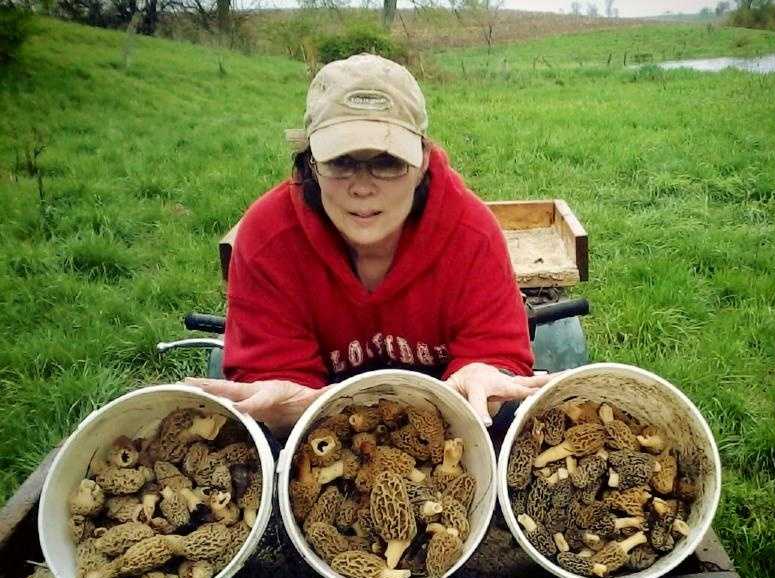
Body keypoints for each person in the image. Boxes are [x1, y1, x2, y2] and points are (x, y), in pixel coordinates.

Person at [187, 53, 554, 437]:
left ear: (422, 161)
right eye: (340, 161)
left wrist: (485, 372)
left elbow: (494, 354)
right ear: (310, 159)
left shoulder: (472, 234)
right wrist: (282, 403)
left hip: (446, 428)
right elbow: (276, 385)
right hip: (320, 433)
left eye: (388, 162)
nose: (362, 187)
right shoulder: (268, 238)